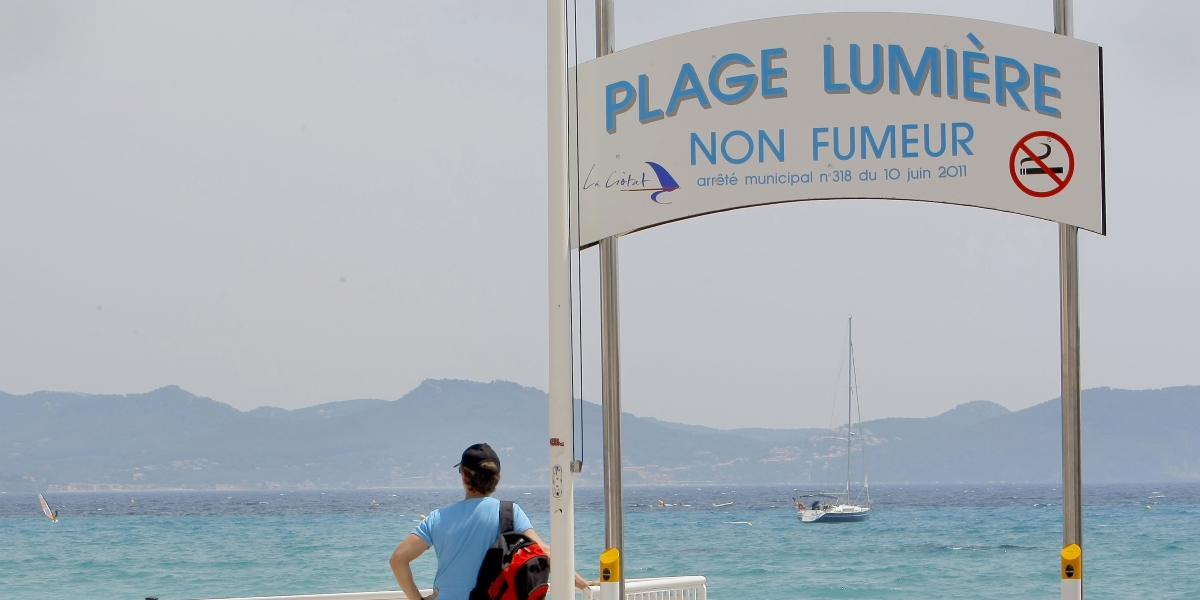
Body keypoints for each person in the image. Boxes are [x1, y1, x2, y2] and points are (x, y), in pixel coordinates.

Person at [389, 443, 591, 600]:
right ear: (496, 479)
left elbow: (398, 560)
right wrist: (585, 585)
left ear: (464, 476)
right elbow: (545, 553)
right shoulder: (509, 513)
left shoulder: (437, 518)